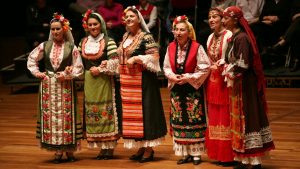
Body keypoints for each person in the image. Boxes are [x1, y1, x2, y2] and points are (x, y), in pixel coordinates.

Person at [102, 6, 167, 163]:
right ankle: (141, 146)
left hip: (143, 82)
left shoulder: (146, 37)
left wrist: (137, 59)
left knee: (146, 113)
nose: (129, 19)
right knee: (134, 116)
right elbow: (121, 58)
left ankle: (149, 149)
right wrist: (109, 63)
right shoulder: (125, 37)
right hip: (127, 82)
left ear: (139, 19)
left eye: (132, 16)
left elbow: (155, 57)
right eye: (127, 17)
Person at [221, 6, 275, 169]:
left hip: (245, 83)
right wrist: (227, 67)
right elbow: (230, 60)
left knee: (248, 118)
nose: (223, 21)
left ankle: (254, 160)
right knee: (238, 119)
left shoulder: (242, 38)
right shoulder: (232, 38)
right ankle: (244, 158)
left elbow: (243, 64)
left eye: (225, 18)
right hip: (238, 83)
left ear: (235, 20)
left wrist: (229, 72)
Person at [27, 12, 84, 163]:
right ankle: (57, 151)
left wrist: (68, 74)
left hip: (65, 86)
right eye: (53, 29)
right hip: (49, 86)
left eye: (58, 29)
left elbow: (79, 67)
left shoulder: (71, 47)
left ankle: (69, 150)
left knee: (67, 117)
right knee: (51, 118)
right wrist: (37, 73)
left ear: (64, 29)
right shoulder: (45, 46)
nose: (55, 32)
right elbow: (32, 58)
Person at [163, 15, 211, 165]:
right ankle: (185, 153)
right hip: (177, 89)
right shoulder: (170, 47)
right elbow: (166, 67)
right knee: (179, 119)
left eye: (182, 30)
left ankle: (196, 153)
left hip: (192, 90)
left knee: (194, 118)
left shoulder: (197, 47)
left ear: (189, 32)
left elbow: (205, 67)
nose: (178, 32)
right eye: (176, 29)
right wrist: (173, 76)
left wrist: (189, 77)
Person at [79, 9, 120, 160]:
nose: (93, 27)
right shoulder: (83, 42)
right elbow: (77, 61)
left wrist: (102, 68)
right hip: (89, 81)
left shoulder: (108, 41)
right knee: (93, 112)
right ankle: (101, 147)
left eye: (95, 24)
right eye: (90, 24)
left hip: (104, 81)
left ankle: (108, 147)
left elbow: (115, 61)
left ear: (101, 25)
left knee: (106, 111)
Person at [205, 7, 234, 166]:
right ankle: (218, 153)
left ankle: (228, 155)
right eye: (209, 17)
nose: (211, 20)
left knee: (226, 116)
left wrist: (221, 65)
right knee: (215, 116)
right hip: (213, 80)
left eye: (214, 16)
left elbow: (230, 58)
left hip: (225, 80)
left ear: (222, 19)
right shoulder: (209, 37)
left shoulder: (229, 35)